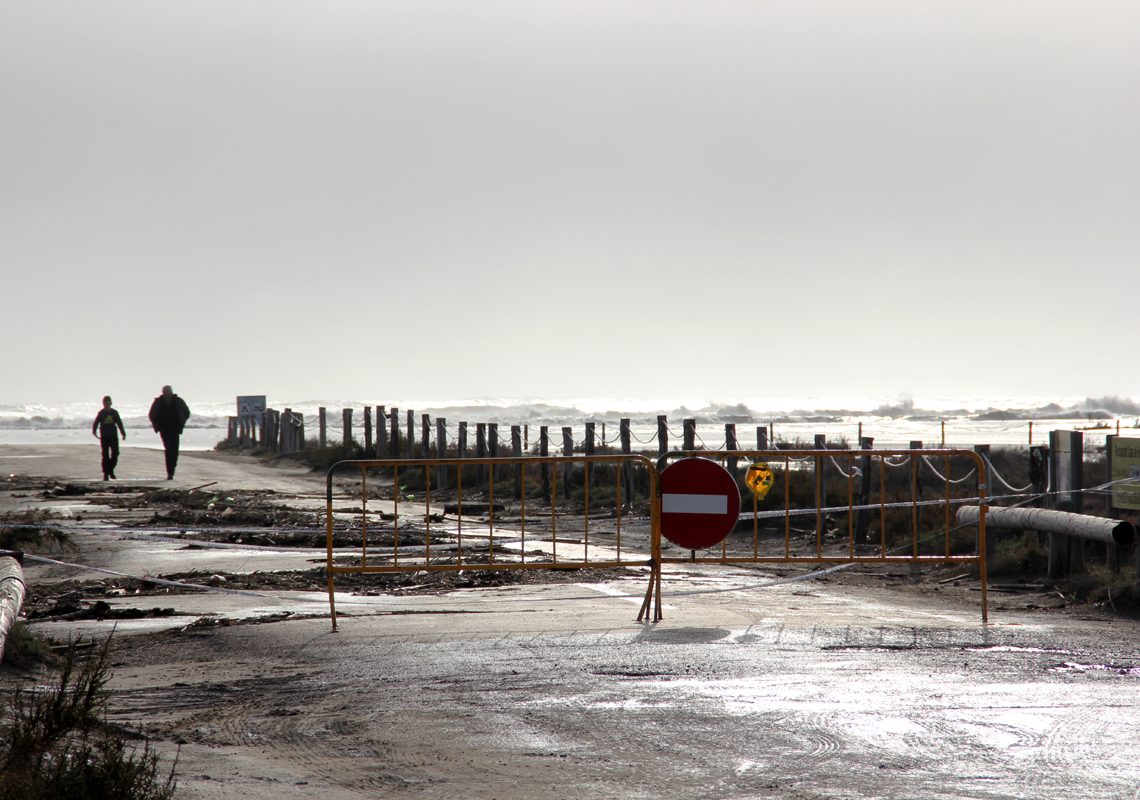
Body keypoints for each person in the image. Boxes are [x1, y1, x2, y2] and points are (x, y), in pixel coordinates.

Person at [148, 385, 191, 480]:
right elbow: (151, 415)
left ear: (171, 392)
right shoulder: (158, 402)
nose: (167, 393)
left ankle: (172, 469)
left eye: (169, 391)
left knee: (175, 451)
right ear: (163, 392)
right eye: (166, 391)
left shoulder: (178, 401)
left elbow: (187, 412)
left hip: (175, 429)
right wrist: (157, 425)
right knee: (169, 449)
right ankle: (170, 472)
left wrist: (182, 421)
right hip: (164, 429)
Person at [91, 395, 127, 480]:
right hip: (104, 437)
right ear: (103, 404)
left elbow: (119, 423)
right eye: (104, 403)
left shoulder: (114, 412)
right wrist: (94, 431)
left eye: (107, 402)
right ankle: (106, 474)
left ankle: (110, 470)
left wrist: (123, 433)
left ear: (111, 403)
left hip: (113, 436)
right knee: (105, 455)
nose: (106, 404)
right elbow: (96, 423)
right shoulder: (101, 413)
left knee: (115, 454)